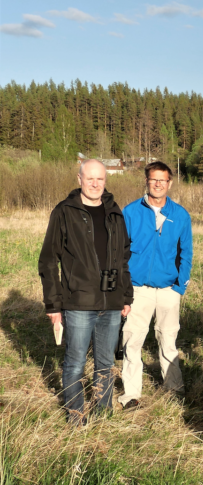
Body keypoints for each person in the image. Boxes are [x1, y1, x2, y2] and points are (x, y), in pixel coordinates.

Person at [38, 159, 133, 426]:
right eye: (89, 178)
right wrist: (53, 305)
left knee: (105, 362)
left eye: (100, 179)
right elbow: (48, 260)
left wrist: (126, 297)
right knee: (75, 362)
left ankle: (103, 414)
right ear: (79, 178)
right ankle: (76, 416)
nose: (95, 184)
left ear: (106, 181)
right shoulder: (64, 211)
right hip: (78, 302)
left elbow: (123, 258)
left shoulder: (114, 212)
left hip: (112, 302)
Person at [118, 162, 193, 410]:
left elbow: (187, 252)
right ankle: (131, 395)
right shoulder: (130, 212)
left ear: (169, 183)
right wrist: (125, 287)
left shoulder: (180, 214)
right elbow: (120, 251)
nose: (158, 184)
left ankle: (174, 390)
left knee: (168, 340)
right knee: (133, 340)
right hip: (138, 289)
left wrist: (179, 286)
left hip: (169, 290)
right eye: (153, 179)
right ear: (146, 181)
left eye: (163, 180)